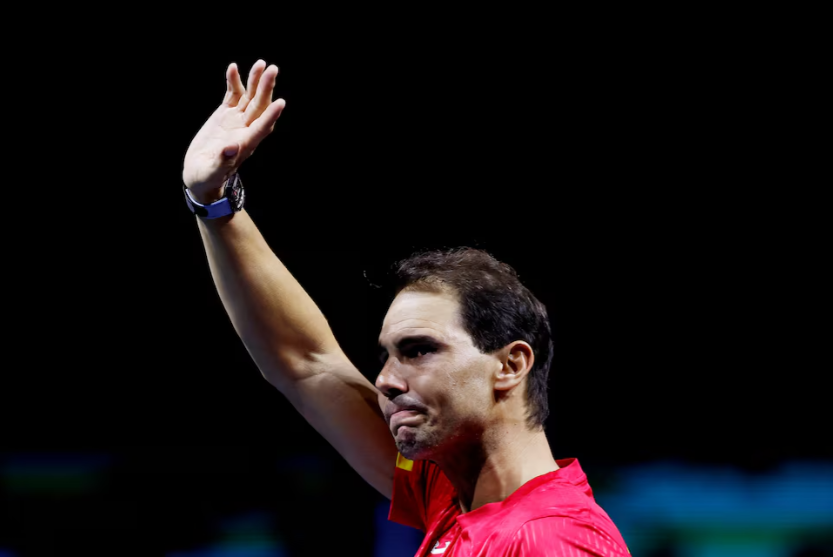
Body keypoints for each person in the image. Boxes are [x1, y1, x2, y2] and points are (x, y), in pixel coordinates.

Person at [181, 59, 630, 556]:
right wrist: (213, 203)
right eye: (387, 356)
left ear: (510, 364)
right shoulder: (452, 494)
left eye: (419, 350)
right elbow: (306, 363)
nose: (388, 380)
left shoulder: (550, 539)